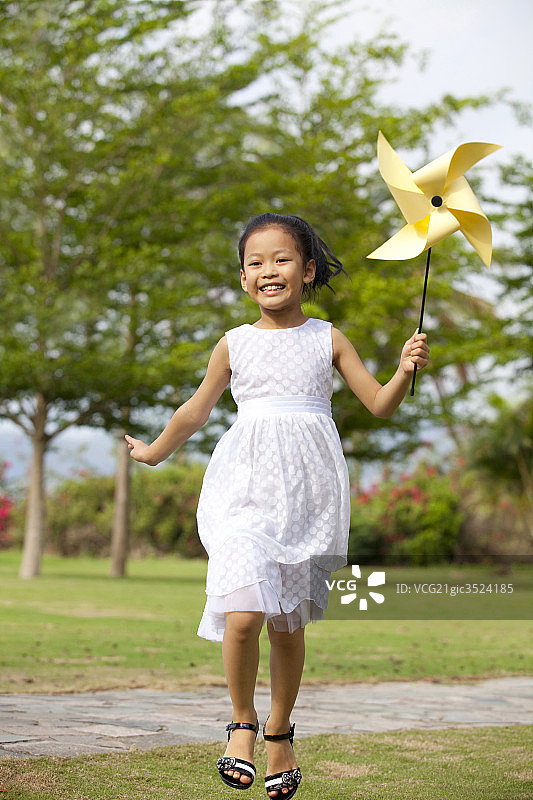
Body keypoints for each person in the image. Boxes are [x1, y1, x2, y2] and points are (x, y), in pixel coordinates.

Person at [125, 212, 429, 798]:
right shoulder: (233, 344)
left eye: (282, 259)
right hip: (245, 488)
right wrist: (155, 452)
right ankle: (240, 722)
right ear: (242, 279)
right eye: (256, 262)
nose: (269, 270)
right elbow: (196, 410)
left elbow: (380, 405)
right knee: (243, 613)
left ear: (308, 270)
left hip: (308, 497)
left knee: (287, 627)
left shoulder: (327, 338)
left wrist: (403, 368)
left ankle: (280, 732)